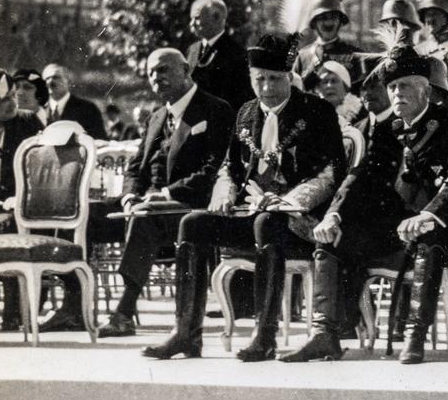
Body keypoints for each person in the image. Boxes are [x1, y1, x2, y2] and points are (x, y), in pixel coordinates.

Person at [289, 45, 448, 365]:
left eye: (405, 85)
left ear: (426, 90)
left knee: (425, 237)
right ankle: (325, 334)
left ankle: (414, 335)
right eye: (392, 87)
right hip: (402, 227)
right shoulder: (389, 131)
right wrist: (333, 214)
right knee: (331, 239)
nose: (397, 93)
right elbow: (359, 176)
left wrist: (430, 214)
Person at [143, 33, 347, 362]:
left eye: (274, 79)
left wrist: (287, 201)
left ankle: (264, 336)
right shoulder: (245, 114)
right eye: (259, 79)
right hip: (252, 214)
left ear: (289, 78)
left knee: (268, 222)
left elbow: (330, 173)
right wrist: (225, 192)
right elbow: (230, 166)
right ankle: (185, 333)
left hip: (304, 222)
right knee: (193, 224)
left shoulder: (317, 111)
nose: (266, 88)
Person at [100, 50, 235, 337]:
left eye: (163, 70)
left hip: (191, 207)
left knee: (145, 219)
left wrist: (166, 193)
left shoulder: (215, 109)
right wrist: (129, 195)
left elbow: (215, 168)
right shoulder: (156, 116)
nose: (156, 78)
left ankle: (124, 311)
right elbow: (136, 167)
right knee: (89, 216)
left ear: (185, 70)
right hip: (149, 203)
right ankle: (72, 309)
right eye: (151, 73)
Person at [0, 67, 45, 329]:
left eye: (13, 95)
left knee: (11, 222)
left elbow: (44, 173)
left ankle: (15, 310)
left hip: (24, 204)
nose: (12, 103)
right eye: (4, 98)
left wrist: (18, 197)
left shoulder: (28, 123)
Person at [186, 0, 254, 111]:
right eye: (191, 19)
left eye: (197, 18)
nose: (192, 24)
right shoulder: (192, 50)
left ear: (216, 18)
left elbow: (241, 98)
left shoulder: (236, 53)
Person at [291, 0, 363, 82]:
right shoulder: (302, 57)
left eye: (333, 17)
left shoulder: (355, 55)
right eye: (323, 18)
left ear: (340, 22)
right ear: (314, 23)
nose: (328, 23)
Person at [40, 64, 107, 139]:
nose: (51, 82)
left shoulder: (88, 109)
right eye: (46, 79)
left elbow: (99, 140)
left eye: (56, 77)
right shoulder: (38, 111)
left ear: (68, 81)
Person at [305, 60, 367, 132]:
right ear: (319, 89)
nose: (329, 86)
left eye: (334, 81)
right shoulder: (313, 116)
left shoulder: (361, 113)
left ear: (345, 87)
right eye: (325, 82)